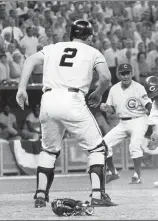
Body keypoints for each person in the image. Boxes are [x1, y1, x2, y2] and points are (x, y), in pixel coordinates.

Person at [16, 20, 117, 208]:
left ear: (71, 34)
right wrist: (98, 93)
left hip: (48, 99)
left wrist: (22, 88)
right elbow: (106, 77)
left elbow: (30, 60)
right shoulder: (93, 51)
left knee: (48, 150)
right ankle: (97, 194)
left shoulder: (54, 47)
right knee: (97, 148)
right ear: (90, 36)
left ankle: (40, 195)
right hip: (72, 98)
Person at [100, 63, 152, 184]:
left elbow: (149, 106)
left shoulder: (138, 87)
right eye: (122, 73)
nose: (125, 76)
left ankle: (137, 176)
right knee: (103, 144)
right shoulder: (113, 89)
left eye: (127, 73)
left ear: (131, 73)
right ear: (118, 75)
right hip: (122, 122)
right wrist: (107, 108)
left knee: (134, 147)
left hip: (138, 119)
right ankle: (113, 173)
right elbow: (113, 109)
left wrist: (155, 124)